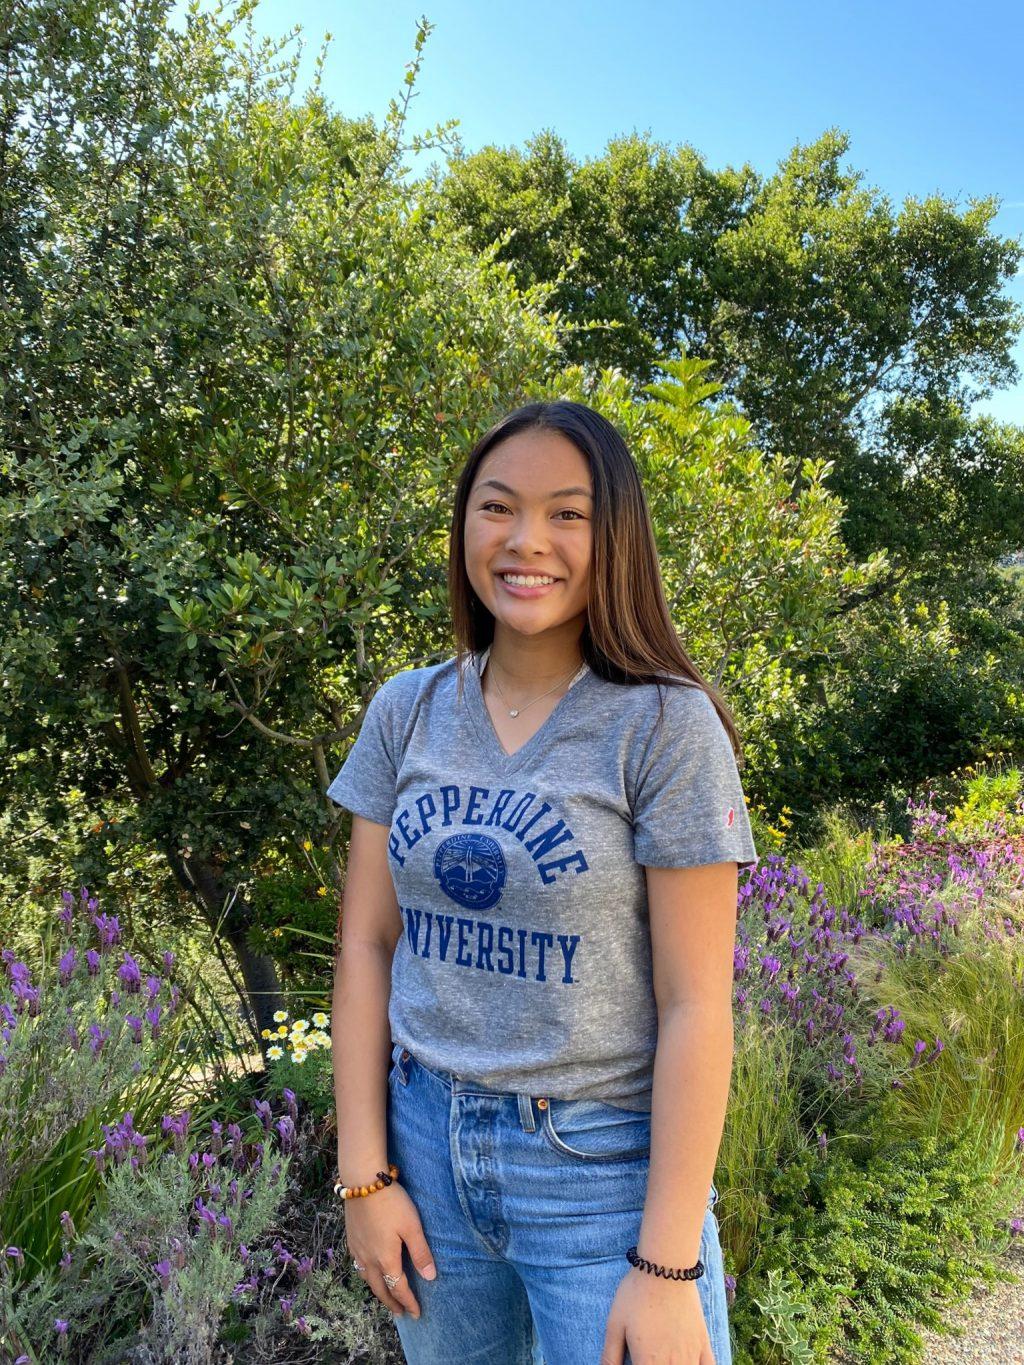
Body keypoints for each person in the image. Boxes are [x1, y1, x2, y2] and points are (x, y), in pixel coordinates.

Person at [327, 400, 758, 1365]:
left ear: (617, 538)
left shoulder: (663, 727)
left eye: (568, 513)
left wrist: (667, 1264)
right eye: (498, 507)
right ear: (464, 526)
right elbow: (365, 943)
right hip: (425, 1150)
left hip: (601, 1173)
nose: (527, 540)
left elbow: (696, 1004)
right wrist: (365, 1175)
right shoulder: (407, 711)